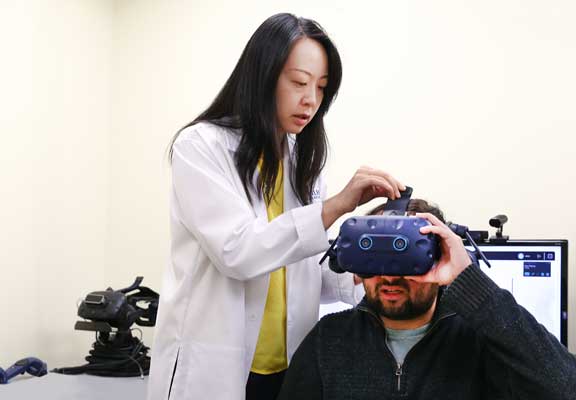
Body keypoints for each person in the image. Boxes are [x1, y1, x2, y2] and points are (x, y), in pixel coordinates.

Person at [147, 13, 404, 400]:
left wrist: (368, 263)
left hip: (287, 369)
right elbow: (239, 252)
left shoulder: (301, 159)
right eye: (299, 82)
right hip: (216, 369)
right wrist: (336, 207)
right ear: (263, 76)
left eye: (321, 88)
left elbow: (301, 270)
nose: (311, 100)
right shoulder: (201, 147)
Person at [277, 199, 576, 400]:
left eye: (404, 256)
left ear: (437, 258)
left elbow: (565, 390)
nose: (390, 276)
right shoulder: (329, 340)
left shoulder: (479, 342)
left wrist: (469, 281)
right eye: (375, 256)